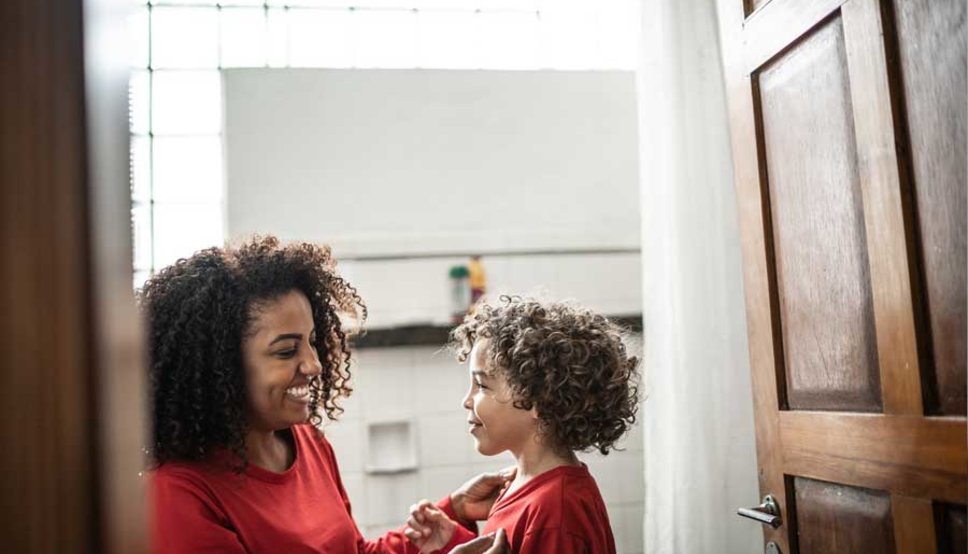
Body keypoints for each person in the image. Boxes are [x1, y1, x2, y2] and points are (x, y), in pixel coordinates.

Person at [142, 236, 510, 553]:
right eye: (286, 351)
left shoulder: (308, 442)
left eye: (313, 343)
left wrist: (451, 512)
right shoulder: (177, 494)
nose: (314, 364)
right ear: (217, 365)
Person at [404, 296, 640, 553]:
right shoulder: (522, 486)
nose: (466, 400)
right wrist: (454, 541)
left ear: (539, 398)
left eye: (482, 385)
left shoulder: (555, 511)